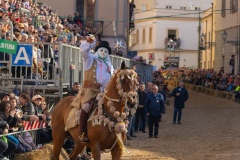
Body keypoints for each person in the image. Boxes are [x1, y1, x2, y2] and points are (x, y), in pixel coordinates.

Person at [70, 35, 114, 142]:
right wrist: (88, 43)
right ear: (97, 51)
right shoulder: (90, 60)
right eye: (101, 50)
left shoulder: (109, 66)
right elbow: (84, 52)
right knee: (85, 107)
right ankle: (81, 132)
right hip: (89, 91)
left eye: (105, 51)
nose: (103, 52)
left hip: (103, 92)